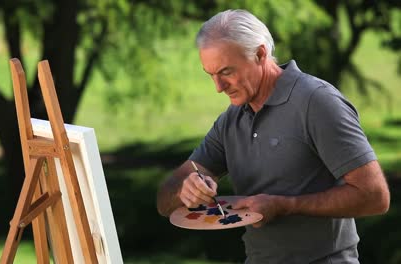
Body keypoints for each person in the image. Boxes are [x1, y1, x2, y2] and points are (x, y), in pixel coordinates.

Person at [156, 9, 390, 264]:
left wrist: (285, 205)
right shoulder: (230, 121)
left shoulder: (317, 102)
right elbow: (164, 200)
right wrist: (185, 191)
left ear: (260, 54)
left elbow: (375, 197)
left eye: (226, 72)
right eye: (210, 74)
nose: (218, 87)